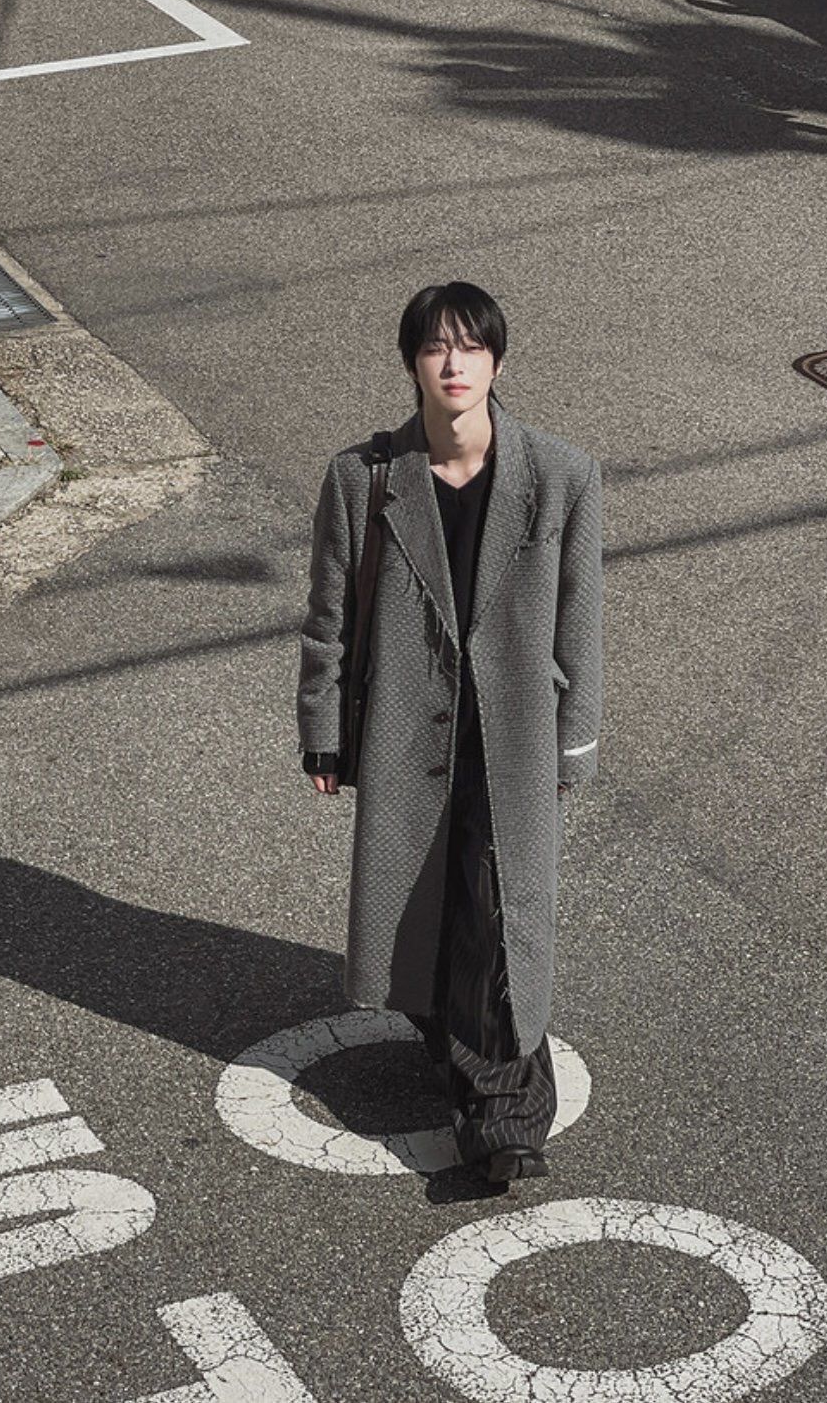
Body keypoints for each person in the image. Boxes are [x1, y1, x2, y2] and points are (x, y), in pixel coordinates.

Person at [296, 281, 603, 1184]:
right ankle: (455, 1049)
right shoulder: (363, 479)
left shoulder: (561, 474)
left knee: (499, 912)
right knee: (430, 902)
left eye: (471, 347)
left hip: (514, 735)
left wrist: (576, 738)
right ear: (412, 364)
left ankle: (505, 1121)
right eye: (435, 347)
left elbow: (580, 619)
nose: (454, 363)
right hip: (404, 731)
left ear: (497, 362)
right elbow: (327, 615)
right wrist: (322, 726)